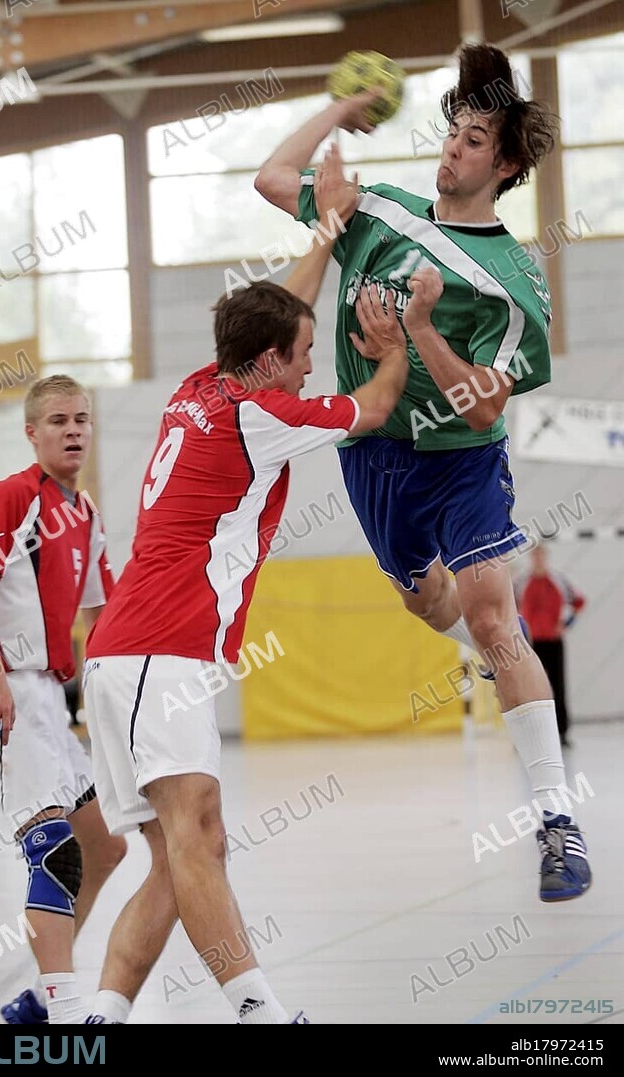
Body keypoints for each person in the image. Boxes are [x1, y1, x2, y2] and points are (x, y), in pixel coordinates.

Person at [254, 43, 592, 902]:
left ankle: (556, 818)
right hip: (376, 456)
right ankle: (485, 653)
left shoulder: (515, 279)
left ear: (506, 163)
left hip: (462, 463)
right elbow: (271, 175)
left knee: (491, 607)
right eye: (454, 133)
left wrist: (419, 339)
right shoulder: (380, 211)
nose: (454, 149)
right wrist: (341, 112)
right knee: (422, 599)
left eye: (476, 140)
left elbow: (484, 408)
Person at [80, 152, 408, 1025]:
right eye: (302, 357)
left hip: (132, 652)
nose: (310, 366)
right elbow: (372, 407)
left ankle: (100, 1017)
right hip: (162, 647)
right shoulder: (263, 412)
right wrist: (396, 345)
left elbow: (281, 314)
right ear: (269, 362)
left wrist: (328, 231)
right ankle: (261, 1010)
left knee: (180, 852)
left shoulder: (204, 386)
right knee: (198, 840)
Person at [0, 375, 127, 1024]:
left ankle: (34, 997)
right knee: (54, 848)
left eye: (81, 418)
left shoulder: (85, 517)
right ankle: (64, 1007)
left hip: (51, 701)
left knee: (104, 846)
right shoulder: (10, 497)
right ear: (32, 433)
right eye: (58, 420)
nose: (74, 429)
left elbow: (99, 619)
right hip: (1, 692)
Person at [514, 544, 586, 748]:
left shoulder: (558, 580)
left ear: (545, 558)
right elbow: (507, 605)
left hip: (553, 641)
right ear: (531, 559)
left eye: (541, 557)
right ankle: (528, 735)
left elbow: (579, 601)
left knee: (557, 687)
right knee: (528, 689)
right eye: (534, 557)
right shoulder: (520, 581)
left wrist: (567, 624)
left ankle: (561, 732)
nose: (538, 561)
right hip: (530, 643)